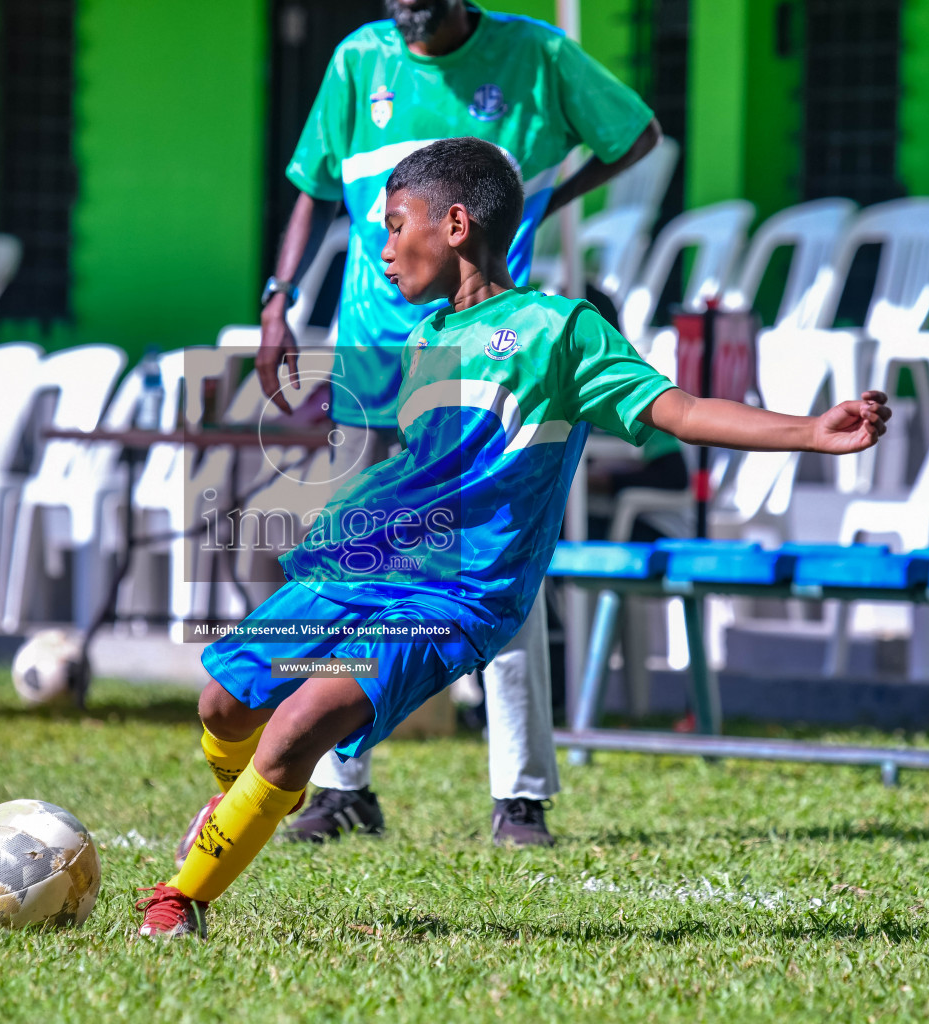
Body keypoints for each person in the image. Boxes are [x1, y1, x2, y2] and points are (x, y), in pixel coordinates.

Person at [136, 138, 891, 939]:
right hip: (367, 563)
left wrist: (811, 430)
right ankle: (234, 801)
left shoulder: (560, 329)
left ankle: (180, 899)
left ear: (456, 224)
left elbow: (679, 410)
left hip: (457, 594)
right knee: (222, 701)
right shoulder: (424, 337)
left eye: (395, 226)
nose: (382, 248)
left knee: (295, 729)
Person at [247, 0, 662, 848]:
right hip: (373, 355)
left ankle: (519, 796)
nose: (406, 10)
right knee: (349, 564)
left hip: (485, 359)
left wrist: (537, 199)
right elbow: (312, 189)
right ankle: (340, 785)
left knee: (489, 565)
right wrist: (279, 299)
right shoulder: (360, 58)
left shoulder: (539, 55)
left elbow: (636, 135)